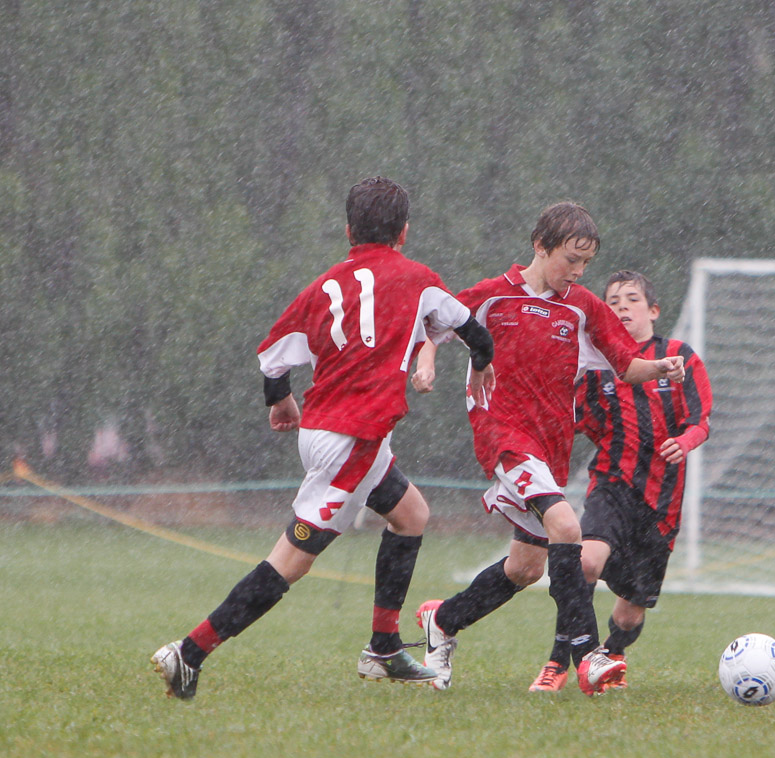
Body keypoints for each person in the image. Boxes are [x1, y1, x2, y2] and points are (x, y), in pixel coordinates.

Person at [150, 176, 496, 700]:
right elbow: (476, 332)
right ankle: (189, 652)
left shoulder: (324, 286)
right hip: (352, 441)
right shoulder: (419, 279)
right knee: (291, 561)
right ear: (404, 232)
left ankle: (383, 646)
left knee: (411, 514)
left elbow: (272, 357)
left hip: (327, 430)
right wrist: (482, 363)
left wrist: (280, 401)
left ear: (348, 230)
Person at [411, 202, 685, 696]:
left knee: (525, 568)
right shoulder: (492, 295)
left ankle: (444, 621)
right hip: (503, 434)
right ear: (540, 246)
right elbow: (434, 324)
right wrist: (426, 363)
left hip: (550, 447)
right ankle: (588, 657)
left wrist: (661, 368)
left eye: (586, 263)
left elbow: (627, 366)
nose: (578, 272)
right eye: (571, 259)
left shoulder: (582, 306)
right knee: (567, 526)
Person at [528, 269, 711, 692]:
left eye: (632, 300)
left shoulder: (678, 356)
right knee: (584, 563)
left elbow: (701, 420)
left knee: (630, 613)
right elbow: (569, 418)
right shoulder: (597, 365)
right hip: (611, 485)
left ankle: (612, 654)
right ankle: (557, 662)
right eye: (613, 302)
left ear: (653, 310)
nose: (622, 307)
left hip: (661, 501)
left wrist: (684, 441)